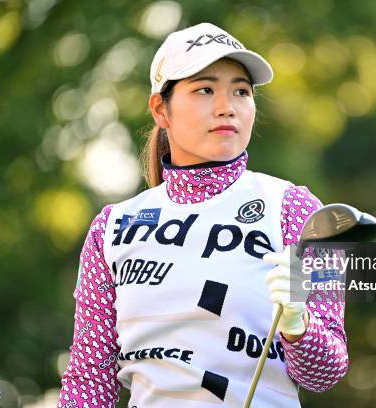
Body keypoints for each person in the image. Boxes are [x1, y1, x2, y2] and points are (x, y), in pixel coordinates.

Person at [58, 22, 348, 408]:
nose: (227, 106)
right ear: (161, 109)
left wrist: (299, 328)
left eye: (241, 91)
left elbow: (326, 373)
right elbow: (89, 380)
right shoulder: (111, 228)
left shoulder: (300, 210)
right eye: (205, 89)